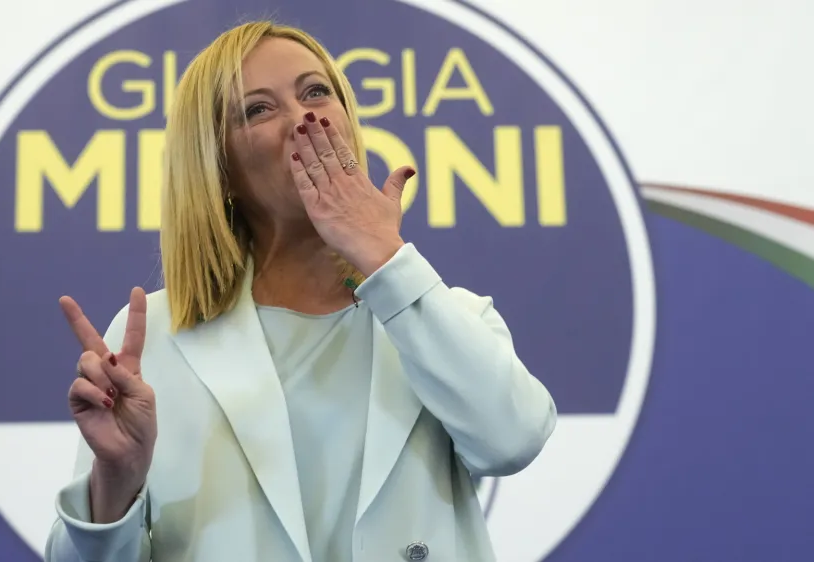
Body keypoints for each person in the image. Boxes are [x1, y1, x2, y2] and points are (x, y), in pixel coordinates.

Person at [44, 20, 556, 562]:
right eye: (259, 109)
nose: (304, 117)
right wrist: (117, 478)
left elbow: (514, 438)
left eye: (316, 91)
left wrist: (384, 257)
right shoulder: (156, 336)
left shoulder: (446, 315)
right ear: (218, 168)